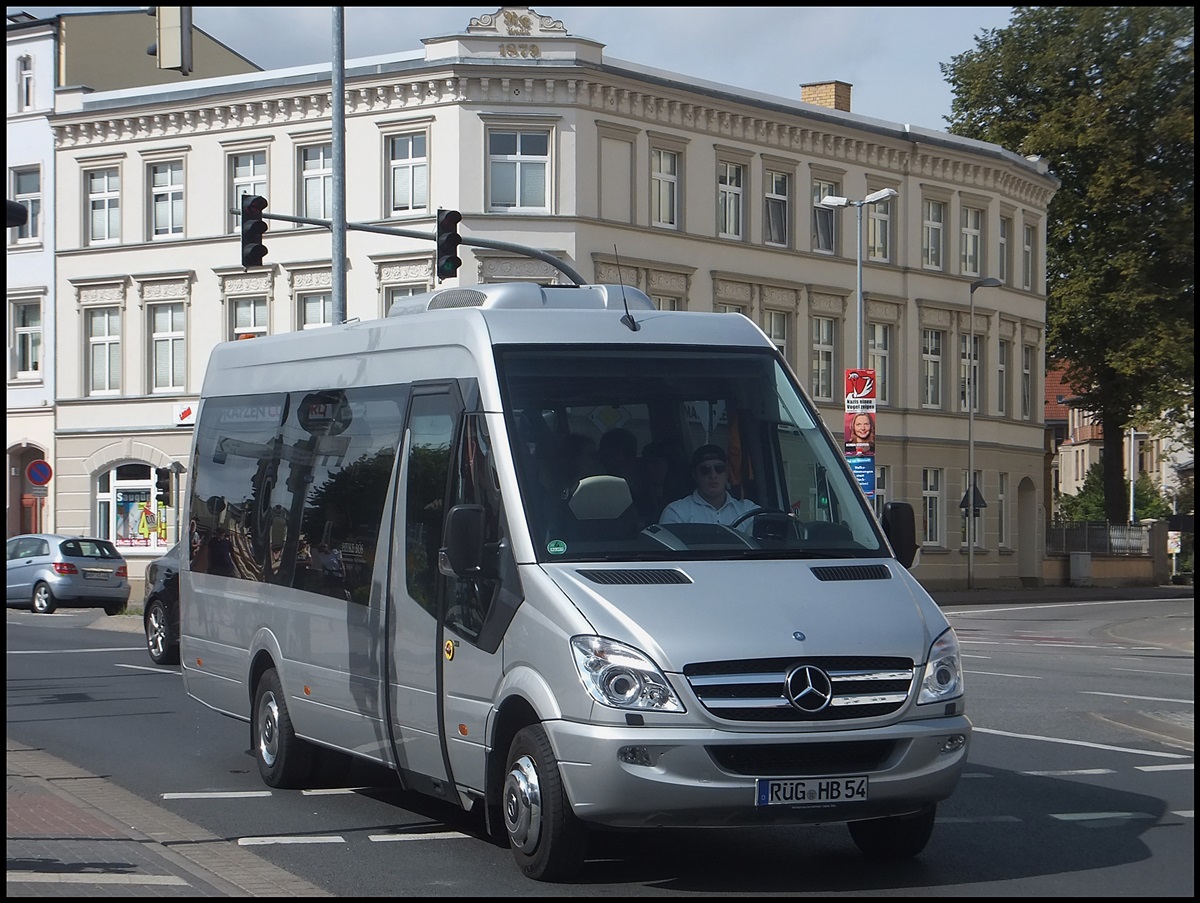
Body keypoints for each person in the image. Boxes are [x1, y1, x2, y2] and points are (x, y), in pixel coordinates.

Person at [659, 444, 758, 531]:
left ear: (727, 472)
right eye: (705, 470)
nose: (713, 475)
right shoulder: (676, 513)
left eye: (719, 468)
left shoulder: (749, 510)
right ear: (695, 474)